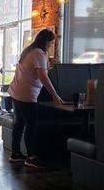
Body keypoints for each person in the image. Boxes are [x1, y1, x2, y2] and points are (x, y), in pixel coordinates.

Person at [7, 29, 63, 168]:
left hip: (16, 91)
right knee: (31, 125)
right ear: (47, 41)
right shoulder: (39, 53)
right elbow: (43, 77)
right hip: (27, 94)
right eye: (51, 42)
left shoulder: (29, 50)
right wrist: (55, 95)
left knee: (19, 124)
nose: (51, 45)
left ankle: (15, 154)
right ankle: (31, 157)